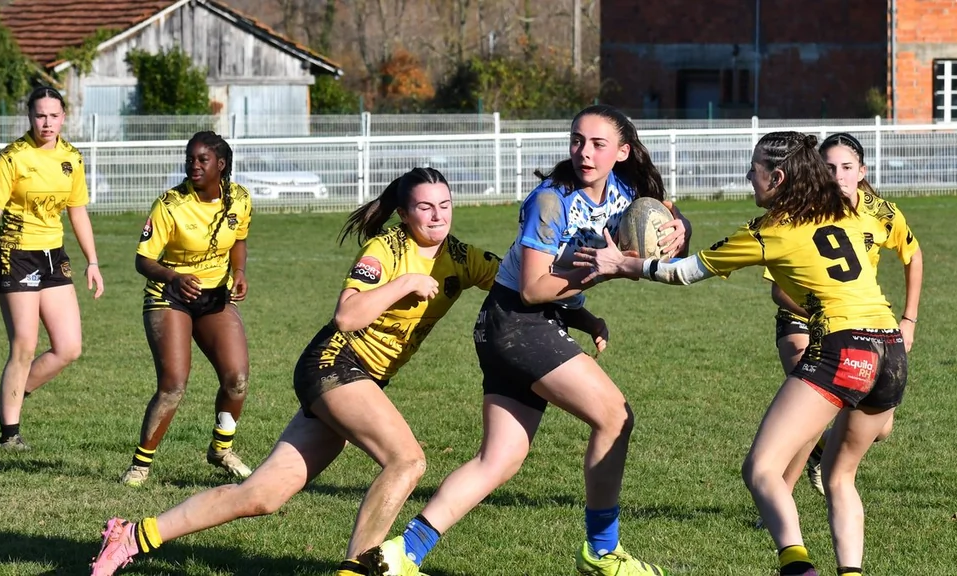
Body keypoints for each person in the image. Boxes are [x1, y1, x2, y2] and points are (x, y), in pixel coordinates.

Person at [92, 167, 517, 576]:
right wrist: (405, 283)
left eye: (445, 205)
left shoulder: (460, 257)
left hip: (356, 380)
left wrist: (584, 316)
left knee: (261, 495)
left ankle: (131, 536)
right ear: (404, 214)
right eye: (425, 207)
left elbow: (521, 283)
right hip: (334, 365)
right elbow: (347, 316)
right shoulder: (385, 250)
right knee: (406, 461)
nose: (438, 215)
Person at [368, 104, 690, 576]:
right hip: (519, 322)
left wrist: (681, 230)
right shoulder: (551, 201)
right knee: (615, 417)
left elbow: (665, 221)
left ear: (622, 152)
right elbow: (534, 288)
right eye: (577, 140)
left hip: (516, 324)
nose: (584, 152)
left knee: (498, 460)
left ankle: (401, 554)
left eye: (599, 144)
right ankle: (602, 551)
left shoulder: (626, 193)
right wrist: (602, 272)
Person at [577, 131, 908, 576]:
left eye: (754, 170)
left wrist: (623, 264)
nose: (747, 177)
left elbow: (684, 273)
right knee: (839, 477)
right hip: (891, 350)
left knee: (762, 469)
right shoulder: (842, 214)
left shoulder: (770, 231)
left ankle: (797, 568)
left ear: (777, 176)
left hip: (842, 348)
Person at [768, 132, 922, 498]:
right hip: (802, 321)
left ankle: (821, 452)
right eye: (828, 167)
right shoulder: (798, 210)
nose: (837, 175)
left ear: (862, 171)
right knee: (811, 415)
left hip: (859, 326)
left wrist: (909, 320)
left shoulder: (881, 212)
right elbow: (779, 290)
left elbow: (913, 256)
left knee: (880, 428)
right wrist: (822, 313)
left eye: (847, 167)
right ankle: (778, 499)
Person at [119, 131, 254, 487]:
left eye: (202, 160)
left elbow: (239, 238)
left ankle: (221, 449)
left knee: (237, 378)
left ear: (220, 165)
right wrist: (174, 277)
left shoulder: (239, 199)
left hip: (214, 297)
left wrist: (238, 271)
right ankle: (139, 466)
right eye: (189, 159)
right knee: (173, 385)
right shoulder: (170, 204)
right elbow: (143, 260)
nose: (193, 165)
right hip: (170, 296)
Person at [0, 86, 104, 450]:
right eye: (39, 115)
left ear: (64, 116)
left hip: (53, 256)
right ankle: (10, 435)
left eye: (53, 115)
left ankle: (6, 401)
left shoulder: (72, 159)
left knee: (69, 347)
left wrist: (92, 261)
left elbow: (77, 211)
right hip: (16, 254)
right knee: (24, 345)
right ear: (30, 117)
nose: (46, 122)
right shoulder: (13, 158)